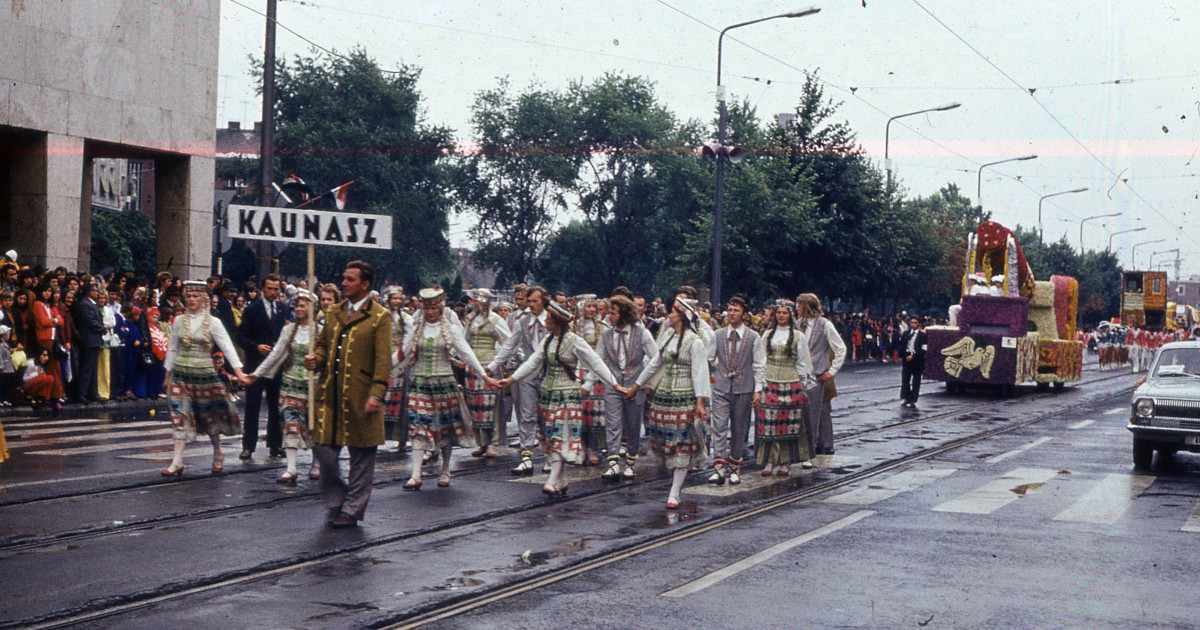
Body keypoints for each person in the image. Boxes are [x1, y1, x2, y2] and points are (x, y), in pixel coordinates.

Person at [304, 261, 392, 528]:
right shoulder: (333, 313)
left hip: (361, 395)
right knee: (323, 447)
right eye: (343, 278)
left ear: (365, 285)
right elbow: (323, 346)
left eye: (350, 279)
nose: (343, 283)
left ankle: (352, 509)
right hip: (329, 395)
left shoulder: (379, 316)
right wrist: (315, 359)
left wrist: (376, 393)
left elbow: (383, 360)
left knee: (362, 456)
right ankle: (335, 499)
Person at [499, 302, 619, 496]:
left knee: (559, 435)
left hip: (568, 395)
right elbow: (533, 362)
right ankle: (561, 478)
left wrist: (614, 384)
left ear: (557, 322)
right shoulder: (548, 340)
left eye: (548, 319)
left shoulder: (575, 341)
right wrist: (511, 379)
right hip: (548, 394)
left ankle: (553, 478)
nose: (545, 321)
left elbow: (596, 363)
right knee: (552, 435)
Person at [399, 286, 491, 490]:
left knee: (445, 427)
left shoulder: (450, 328)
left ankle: (446, 468)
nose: (430, 312)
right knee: (418, 426)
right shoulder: (416, 329)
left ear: (440, 308)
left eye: (434, 308)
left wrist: (484, 374)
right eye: (426, 308)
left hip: (444, 384)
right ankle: (416, 474)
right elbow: (402, 353)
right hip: (421, 383)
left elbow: (466, 352)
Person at [625, 298, 710, 510]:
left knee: (682, 444)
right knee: (667, 444)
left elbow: (700, 372)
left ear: (681, 316)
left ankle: (675, 492)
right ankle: (673, 486)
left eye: (672, 313)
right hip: (664, 396)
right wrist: (637, 386)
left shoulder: (695, 341)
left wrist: (700, 402)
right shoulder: (669, 336)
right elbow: (655, 363)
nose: (668, 316)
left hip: (685, 395)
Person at [161, 281, 246, 477]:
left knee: (209, 417)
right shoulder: (179, 321)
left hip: (204, 375)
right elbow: (172, 348)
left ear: (204, 299)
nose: (191, 300)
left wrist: (239, 373)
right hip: (180, 374)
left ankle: (217, 452)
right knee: (179, 416)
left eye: (195, 296)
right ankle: (177, 461)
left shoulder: (214, 323)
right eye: (188, 297)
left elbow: (228, 348)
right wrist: (167, 374)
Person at [244, 290, 322, 485]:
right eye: (297, 306)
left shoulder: (322, 330)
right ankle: (291, 468)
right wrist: (256, 373)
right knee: (290, 422)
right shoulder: (288, 330)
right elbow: (276, 354)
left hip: (314, 384)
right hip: (291, 382)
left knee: (313, 424)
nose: (298, 309)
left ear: (312, 308)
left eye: (303, 306)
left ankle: (316, 463)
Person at [488, 286, 552, 476]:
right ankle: (526, 457)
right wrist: (492, 365)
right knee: (526, 415)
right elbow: (510, 345)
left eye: (535, 301)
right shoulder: (522, 321)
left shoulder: (552, 319)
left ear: (544, 301)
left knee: (548, 416)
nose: (530, 305)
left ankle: (550, 457)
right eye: (528, 301)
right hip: (527, 374)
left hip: (548, 373)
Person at [595, 293, 658, 481]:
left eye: (613, 313)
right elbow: (598, 360)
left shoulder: (642, 333)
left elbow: (655, 357)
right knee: (612, 423)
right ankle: (613, 464)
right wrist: (591, 382)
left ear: (623, 314)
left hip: (635, 386)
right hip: (613, 384)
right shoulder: (606, 334)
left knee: (633, 425)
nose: (609, 316)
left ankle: (631, 462)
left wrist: (643, 381)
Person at [707, 296, 765, 485]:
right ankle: (718, 467)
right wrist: (714, 377)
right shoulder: (717, 335)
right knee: (719, 426)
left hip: (744, 387)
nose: (732, 313)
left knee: (740, 428)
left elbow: (759, 364)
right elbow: (709, 359)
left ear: (744, 314)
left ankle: (735, 467)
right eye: (730, 310)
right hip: (721, 387)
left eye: (736, 310)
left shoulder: (753, 337)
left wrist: (758, 390)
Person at [757, 300, 815, 475]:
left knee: (788, 425)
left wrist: (804, 387)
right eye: (779, 313)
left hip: (791, 382)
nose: (781, 316)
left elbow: (803, 363)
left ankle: (786, 462)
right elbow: (760, 361)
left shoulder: (798, 337)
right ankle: (769, 461)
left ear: (790, 315)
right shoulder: (767, 335)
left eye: (784, 313)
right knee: (769, 424)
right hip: (769, 382)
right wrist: (759, 384)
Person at [237, 274, 290, 460]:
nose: (273, 292)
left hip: (277, 366)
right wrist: (256, 347)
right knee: (253, 406)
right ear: (262, 289)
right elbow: (240, 337)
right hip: (255, 364)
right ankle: (248, 446)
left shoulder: (283, 309)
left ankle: (275, 444)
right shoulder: (252, 309)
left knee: (276, 406)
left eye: (276, 289)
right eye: (270, 289)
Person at [462, 288, 510, 458]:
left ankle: (493, 442)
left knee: (492, 405)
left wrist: (499, 360)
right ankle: (481, 442)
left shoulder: (495, 320)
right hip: (473, 365)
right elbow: (464, 340)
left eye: (476, 300)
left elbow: (508, 341)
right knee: (475, 404)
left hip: (490, 364)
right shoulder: (470, 319)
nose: (473, 303)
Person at [797, 293, 847, 456]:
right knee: (803, 412)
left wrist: (831, 371)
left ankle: (821, 444)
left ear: (807, 306)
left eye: (799, 305)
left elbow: (840, 348)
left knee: (820, 410)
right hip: (799, 375)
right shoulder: (798, 324)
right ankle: (809, 443)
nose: (797, 309)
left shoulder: (825, 325)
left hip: (818, 374)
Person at [572, 294, 608, 465]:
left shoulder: (602, 327)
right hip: (576, 370)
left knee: (595, 415)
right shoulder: (571, 326)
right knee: (578, 412)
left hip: (595, 372)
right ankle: (580, 447)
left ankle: (594, 448)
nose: (592, 310)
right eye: (588, 306)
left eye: (594, 306)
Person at [382, 286, 413, 453]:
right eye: (394, 298)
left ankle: (402, 439)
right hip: (382, 357)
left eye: (399, 299)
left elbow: (408, 341)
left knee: (401, 401)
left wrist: (395, 359)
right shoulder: (381, 316)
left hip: (399, 361)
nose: (397, 302)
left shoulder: (406, 319)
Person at [899, 315, 928, 408]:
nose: (913, 324)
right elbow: (902, 346)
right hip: (907, 359)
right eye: (911, 322)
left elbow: (924, 350)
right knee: (905, 380)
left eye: (915, 323)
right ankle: (906, 397)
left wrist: (913, 356)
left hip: (917, 360)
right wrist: (905, 355)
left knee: (916, 381)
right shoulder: (906, 333)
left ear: (919, 324)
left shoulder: (922, 335)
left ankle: (913, 399)